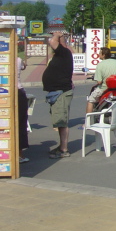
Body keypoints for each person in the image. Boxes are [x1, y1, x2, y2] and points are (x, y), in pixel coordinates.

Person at [42, 31, 74, 159]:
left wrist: (56, 34)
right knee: (59, 122)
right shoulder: (62, 53)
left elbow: (53, 42)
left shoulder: (64, 53)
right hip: (57, 91)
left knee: (61, 122)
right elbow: (59, 43)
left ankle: (64, 149)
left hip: (61, 92)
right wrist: (60, 36)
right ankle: (61, 146)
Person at [86, 47, 116, 114]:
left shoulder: (100, 65)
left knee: (91, 100)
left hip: (104, 89)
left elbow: (99, 81)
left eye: (100, 53)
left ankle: (87, 121)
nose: (98, 54)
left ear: (104, 55)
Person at [16, 57, 29, 163]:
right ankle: (19, 154)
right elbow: (24, 66)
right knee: (20, 123)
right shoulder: (18, 60)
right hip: (18, 91)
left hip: (4, 92)